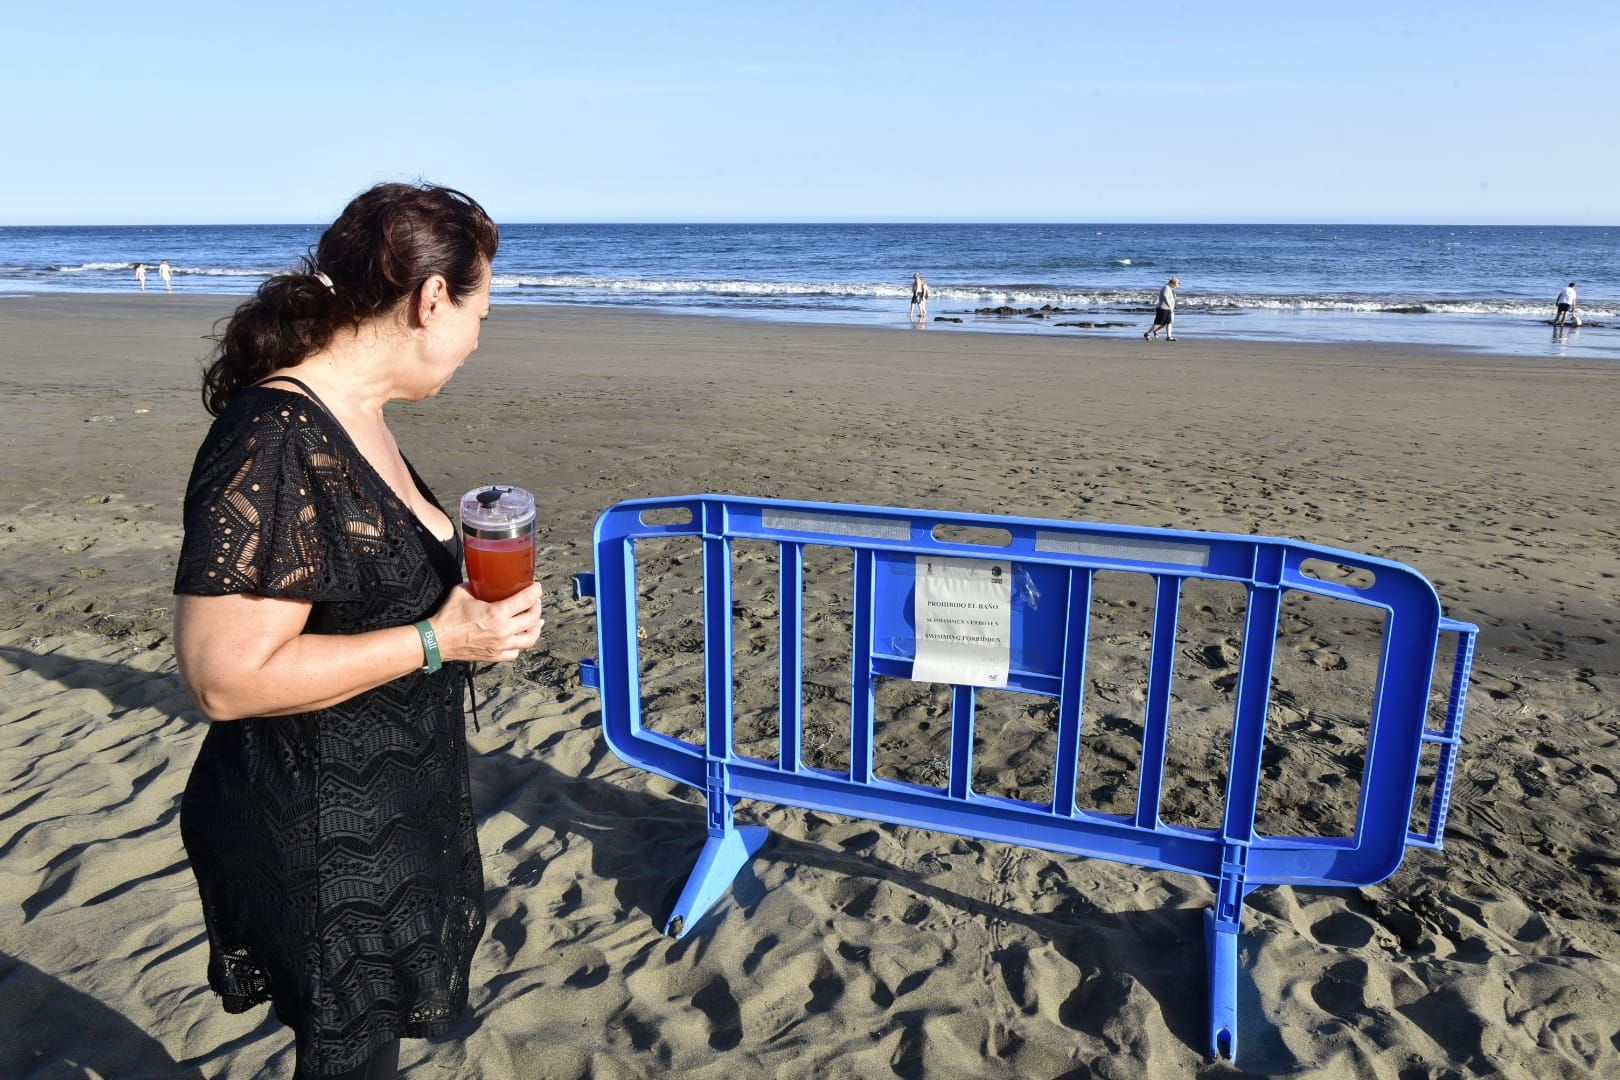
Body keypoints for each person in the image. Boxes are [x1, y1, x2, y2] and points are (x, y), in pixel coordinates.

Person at [172, 182, 543, 1079]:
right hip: (319, 822)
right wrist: (437, 641)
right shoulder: (273, 435)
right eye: (479, 314)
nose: (477, 341)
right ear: (429, 301)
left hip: (387, 803)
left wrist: (468, 605)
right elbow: (223, 675)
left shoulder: (358, 416)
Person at [1145, 276, 1178, 340]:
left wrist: (1172, 306)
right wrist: (1169, 305)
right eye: (1177, 284)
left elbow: (1171, 299)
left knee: (1169, 322)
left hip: (1168, 309)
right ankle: (1147, 333)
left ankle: (1169, 336)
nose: (1177, 286)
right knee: (1158, 323)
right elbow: (1165, 297)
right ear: (1172, 283)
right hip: (1163, 308)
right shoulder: (1166, 287)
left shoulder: (1170, 289)